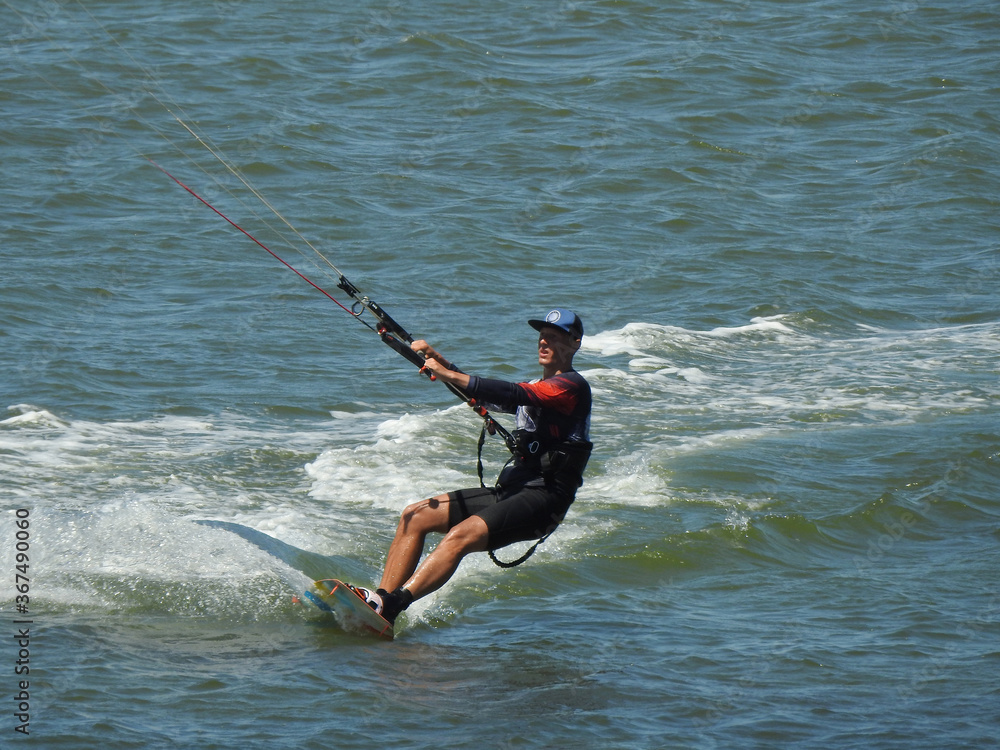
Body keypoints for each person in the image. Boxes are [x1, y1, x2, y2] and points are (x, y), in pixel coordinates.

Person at [353, 308, 593, 624]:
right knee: (415, 515)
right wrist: (441, 363)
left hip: (545, 498)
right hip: (512, 490)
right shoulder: (536, 387)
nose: (544, 342)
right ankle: (379, 604)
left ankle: (394, 605)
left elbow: (516, 392)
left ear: (575, 344)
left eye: (556, 337)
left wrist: (449, 372)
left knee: (460, 535)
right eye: (542, 336)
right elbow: (487, 395)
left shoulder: (571, 387)